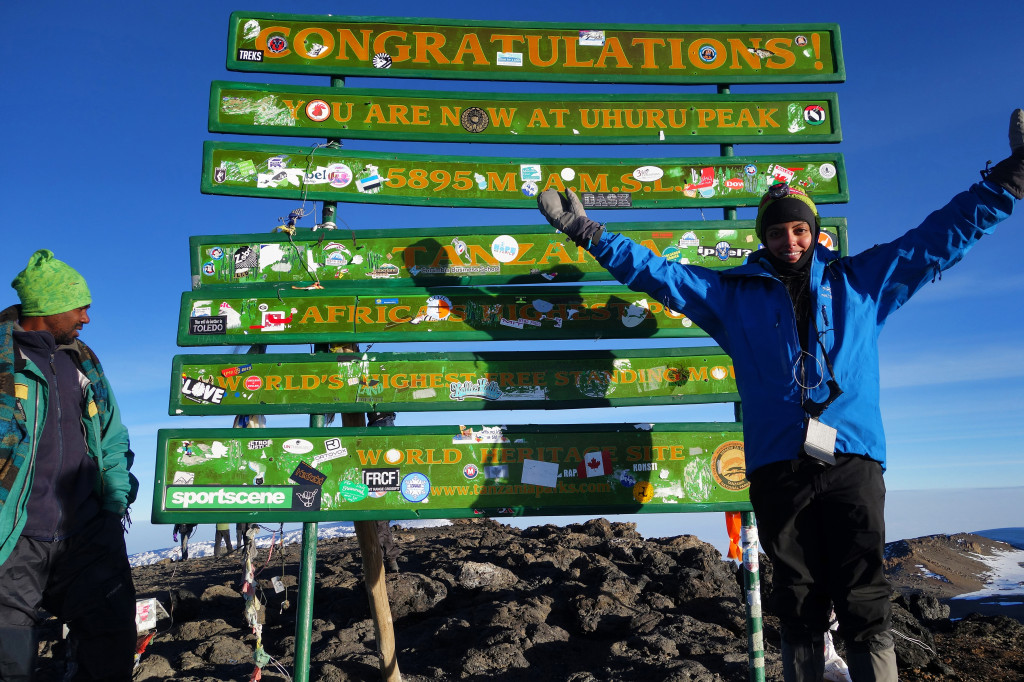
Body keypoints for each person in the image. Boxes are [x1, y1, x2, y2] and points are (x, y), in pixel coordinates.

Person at [537, 111, 1024, 681]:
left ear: (815, 233)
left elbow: (936, 239)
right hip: (775, 462)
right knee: (797, 598)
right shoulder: (730, 295)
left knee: (864, 593)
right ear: (762, 238)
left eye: (798, 229)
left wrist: (1011, 178)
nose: (788, 240)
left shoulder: (861, 282)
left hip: (853, 459)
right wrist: (588, 232)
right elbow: (659, 275)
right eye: (776, 231)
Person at [0, 249, 140, 680]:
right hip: (14, 538)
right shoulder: (5, 361)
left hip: (87, 532)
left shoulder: (83, 361)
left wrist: (114, 499)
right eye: (80, 307)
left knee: (110, 644)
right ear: (47, 308)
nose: (86, 318)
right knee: (9, 659)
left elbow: (112, 434)